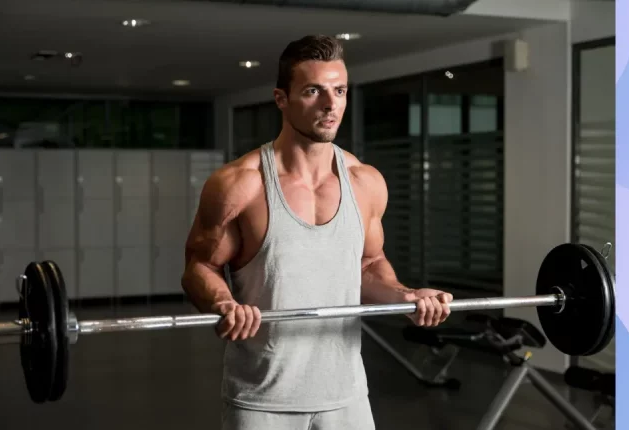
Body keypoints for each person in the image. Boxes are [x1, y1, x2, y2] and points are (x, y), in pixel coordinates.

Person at [181, 34, 453, 430]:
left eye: (339, 90)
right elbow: (199, 266)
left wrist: (407, 296)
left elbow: (369, 265)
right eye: (313, 91)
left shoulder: (365, 182)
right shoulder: (240, 184)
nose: (331, 105)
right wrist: (224, 303)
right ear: (281, 99)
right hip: (262, 400)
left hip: (346, 395)